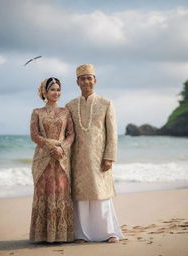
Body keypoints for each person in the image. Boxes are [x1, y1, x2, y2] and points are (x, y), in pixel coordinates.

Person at [66, 64, 123, 243]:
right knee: (81, 197)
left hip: (100, 158)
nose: (86, 81)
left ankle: (109, 233)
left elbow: (112, 132)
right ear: (77, 82)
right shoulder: (70, 105)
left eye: (89, 78)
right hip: (78, 159)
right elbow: (67, 133)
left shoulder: (106, 103)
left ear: (95, 80)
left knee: (101, 194)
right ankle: (81, 234)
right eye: (82, 78)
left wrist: (109, 156)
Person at [29, 77, 74, 243]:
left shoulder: (65, 112)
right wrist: (50, 147)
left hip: (61, 158)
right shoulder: (37, 112)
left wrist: (61, 148)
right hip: (43, 159)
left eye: (58, 89)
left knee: (61, 192)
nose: (56, 93)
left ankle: (63, 235)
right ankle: (42, 236)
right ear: (45, 92)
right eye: (53, 89)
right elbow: (34, 135)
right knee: (44, 192)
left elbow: (71, 134)